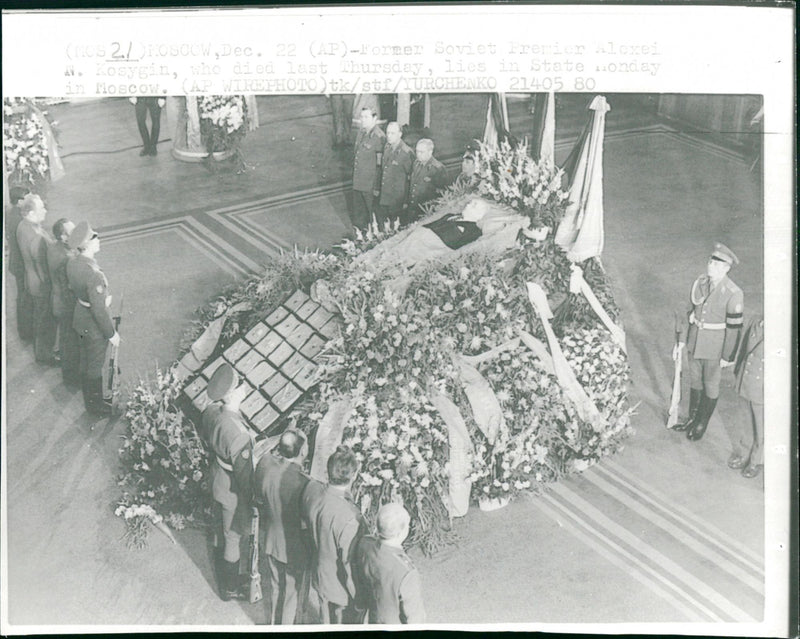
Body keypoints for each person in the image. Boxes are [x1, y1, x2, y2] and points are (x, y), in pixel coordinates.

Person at [673, 243, 744, 441]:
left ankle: (701, 424)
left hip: (714, 347)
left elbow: (734, 329)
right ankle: (691, 419)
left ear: (726, 268)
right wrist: (681, 340)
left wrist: (727, 356)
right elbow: (687, 311)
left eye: (716, 263)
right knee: (695, 381)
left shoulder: (733, 293)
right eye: (710, 261)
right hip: (695, 341)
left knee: (710, 385)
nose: (710, 265)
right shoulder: (700, 282)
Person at [199, 363, 255, 601]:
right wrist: (254, 501)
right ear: (232, 394)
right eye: (241, 383)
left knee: (222, 530)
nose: (245, 386)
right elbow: (245, 479)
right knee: (233, 536)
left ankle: (226, 574)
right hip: (233, 490)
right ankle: (229, 587)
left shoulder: (212, 412)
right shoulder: (239, 434)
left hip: (218, 479)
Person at [302, 445, 365, 624]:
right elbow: (349, 563)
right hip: (341, 587)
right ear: (353, 476)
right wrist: (359, 597)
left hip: (320, 573)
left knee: (324, 616)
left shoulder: (312, 491)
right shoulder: (350, 517)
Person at [254, 429, 310, 624]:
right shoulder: (304, 483)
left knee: (277, 587)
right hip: (293, 546)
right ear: (302, 451)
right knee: (292, 594)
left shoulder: (267, 468)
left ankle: (273, 625)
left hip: (271, 538)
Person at [66, 221, 121, 415]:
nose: (98, 238)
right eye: (94, 237)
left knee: (85, 361)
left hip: (80, 317)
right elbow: (98, 311)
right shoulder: (94, 273)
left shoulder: (73, 262)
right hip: (94, 327)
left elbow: (75, 290)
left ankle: (91, 401)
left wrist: (98, 301)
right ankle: (96, 407)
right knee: (95, 366)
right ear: (87, 244)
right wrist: (111, 333)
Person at [354, 503, 426, 624]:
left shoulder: (364, 543)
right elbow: (415, 618)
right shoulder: (407, 573)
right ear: (400, 533)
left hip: (375, 616)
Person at [16, 194, 57, 363]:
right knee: (45, 321)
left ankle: (41, 351)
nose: (45, 210)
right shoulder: (37, 237)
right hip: (41, 285)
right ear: (30, 213)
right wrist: (52, 287)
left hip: (30, 280)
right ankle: (45, 355)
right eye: (41, 208)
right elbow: (43, 268)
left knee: (39, 318)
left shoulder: (22, 226)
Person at [728, 315, 764, 479]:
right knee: (746, 420)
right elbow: (744, 350)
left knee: (761, 425)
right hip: (746, 380)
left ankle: (756, 461)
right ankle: (744, 453)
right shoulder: (756, 321)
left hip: (763, 387)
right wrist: (738, 373)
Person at [47, 218, 80, 387]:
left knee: (66, 339)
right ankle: (71, 377)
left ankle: (69, 372)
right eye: (71, 232)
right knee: (71, 342)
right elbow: (72, 286)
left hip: (57, 300)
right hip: (66, 305)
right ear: (62, 237)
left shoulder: (53, 246)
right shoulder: (66, 258)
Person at [5, 185, 33, 341]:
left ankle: (24, 329)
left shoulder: (12, 213)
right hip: (20, 264)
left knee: (22, 296)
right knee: (24, 297)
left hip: (15, 262)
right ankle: (26, 330)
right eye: (27, 197)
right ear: (20, 200)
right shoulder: (19, 219)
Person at [351, 107, 386, 230]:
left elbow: (380, 165)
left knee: (374, 216)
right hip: (358, 182)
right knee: (359, 217)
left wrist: (376, 186)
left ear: (375, 118)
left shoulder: (379, 137)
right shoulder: (361, 132)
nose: (363, 120)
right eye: (362, 117)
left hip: (370, 185)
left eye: (367, 117)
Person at [376, 121, 414, 227]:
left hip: (397, 199)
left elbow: (410, 179)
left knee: (396, 227)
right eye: (388, 133)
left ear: (400, 134)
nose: (389, 136)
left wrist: (406, 200)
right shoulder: (387, 147)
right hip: (385, 196)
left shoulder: (406, 153)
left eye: (392, 133)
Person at [405, 138, 448, 225]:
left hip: (426, 212)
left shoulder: (438, 168)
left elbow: (442, 194)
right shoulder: (416, 163)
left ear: (430, 152)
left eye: (421, 152)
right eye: (417, 151)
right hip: (412, 209)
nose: (418, 154)